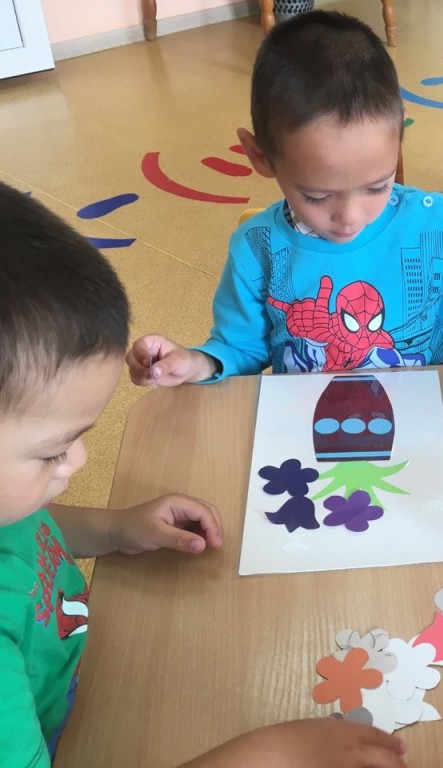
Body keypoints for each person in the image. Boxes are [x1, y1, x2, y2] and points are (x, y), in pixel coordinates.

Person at [0, 182, 408, 767]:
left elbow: (28, 533)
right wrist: (270, 755)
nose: (80, 461)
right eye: (52, 452)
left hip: (73, 669)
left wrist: (115, 528)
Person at [126, 10, 443, 455]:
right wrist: (198, 362)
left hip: (414, 427)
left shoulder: (433, 228)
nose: (350, 216)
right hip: (307, 433)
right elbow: (240, 349)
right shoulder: (258, 248)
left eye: (377, 186)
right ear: (260, 157)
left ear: (399, 136)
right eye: (318, 196)